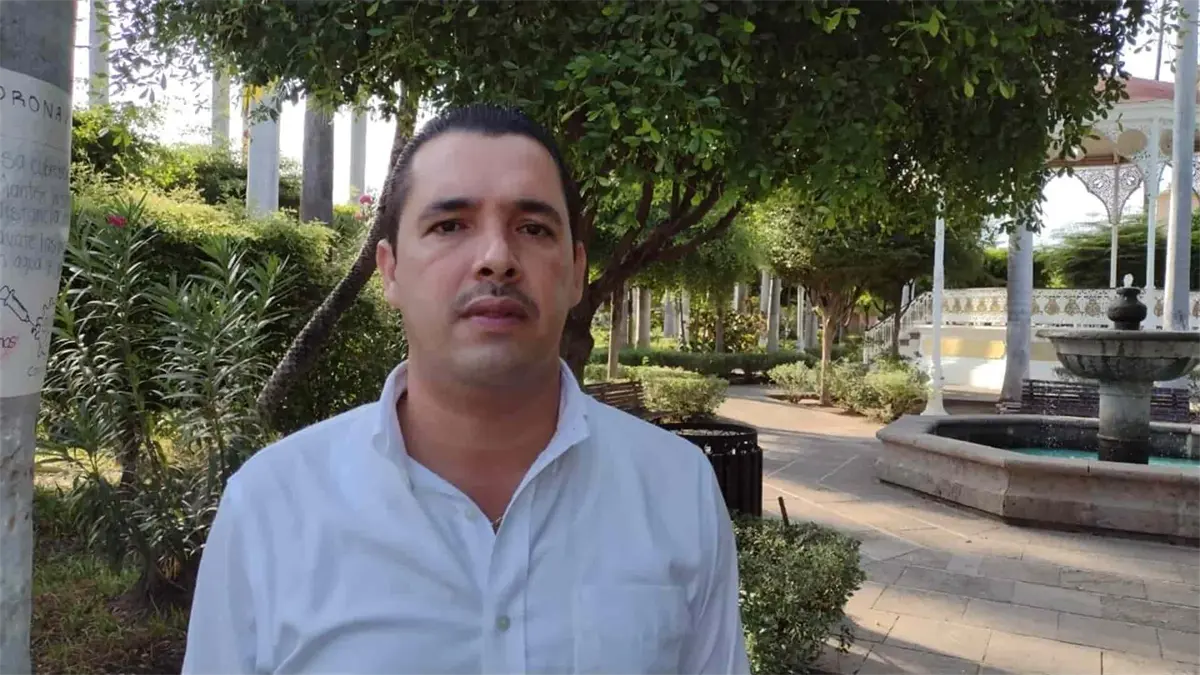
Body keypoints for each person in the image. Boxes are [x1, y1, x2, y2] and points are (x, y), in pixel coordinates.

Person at [182, 104, 751, 675]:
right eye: (450, 225)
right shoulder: (270, 507)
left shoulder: (676, 491)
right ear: (391, 271)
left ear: (577, 272)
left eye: (533, 228)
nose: (496, 259)